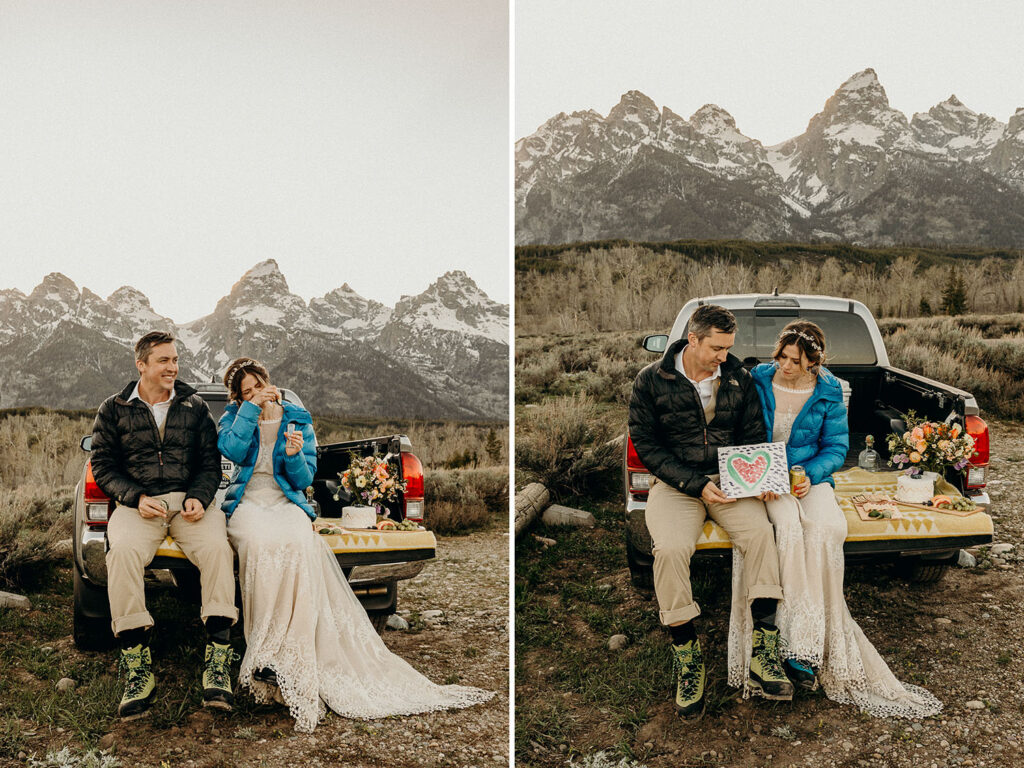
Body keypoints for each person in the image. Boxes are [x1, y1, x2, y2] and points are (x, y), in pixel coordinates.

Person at [216, 357, 493, 732]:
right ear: (238, 396)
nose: (253, 394)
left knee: (299, 540)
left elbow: (303, 478)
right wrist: (250, 409)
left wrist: (295, 454)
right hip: (247, 503)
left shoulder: (298, 417)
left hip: (286, 503)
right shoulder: (233, 417)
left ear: (269, 380)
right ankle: (264, 648)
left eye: (257, 386)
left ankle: (286, 652)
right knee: (260, 543)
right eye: (245, 391)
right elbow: (231, 451)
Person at [742, 319, 942, 717]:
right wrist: (762, 473)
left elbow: (835, 448)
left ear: (814, 362)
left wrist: (810, 476)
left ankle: (814, 636)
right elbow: (741, 430)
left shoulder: (829, 390)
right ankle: (786, 643)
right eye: (781, 356)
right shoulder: (758, 378)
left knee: (829, 528)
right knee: (789, 530)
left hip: (808, 477)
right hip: (765, 477)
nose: (784, 365)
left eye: (794, 360)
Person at [628, 304, 793, 717]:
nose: (724, 356)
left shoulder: (739, 379)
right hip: (678, 485)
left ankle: (763, 652)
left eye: (728, 347)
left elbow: (754, 433)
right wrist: (693, 483)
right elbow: (646, 446)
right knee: (667, 551)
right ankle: (688, 656)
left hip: (731, 483)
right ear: (693, 338)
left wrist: (760, 480)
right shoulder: (651, 380)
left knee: (760, 537)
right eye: (717, 348)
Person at [90, 331, 238, 720]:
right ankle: (138, 667)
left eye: (175, 360)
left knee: (219, 552)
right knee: (120, 552)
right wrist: (136, 497)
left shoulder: (195, 407)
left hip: (188, 505)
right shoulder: (113, 408)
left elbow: (210, 464)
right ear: (142, 364)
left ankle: (218, 663)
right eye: (164, 361)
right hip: (139, 505)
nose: (173, 367)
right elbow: (103, 466)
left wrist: (199, 496)